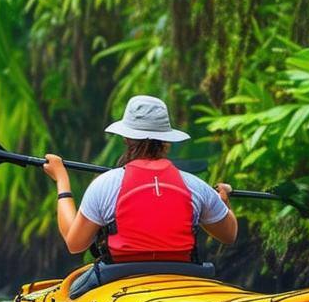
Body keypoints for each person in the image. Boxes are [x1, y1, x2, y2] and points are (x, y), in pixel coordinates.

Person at [43, 95, 237, 262]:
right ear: (167, 142)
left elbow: (74, 243)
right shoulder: (196, 186)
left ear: (126, 138)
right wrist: (224, 202)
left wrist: (61, 179)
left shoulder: (104, 184)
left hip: (121, 279)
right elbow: (229, 234)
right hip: (181, 276)